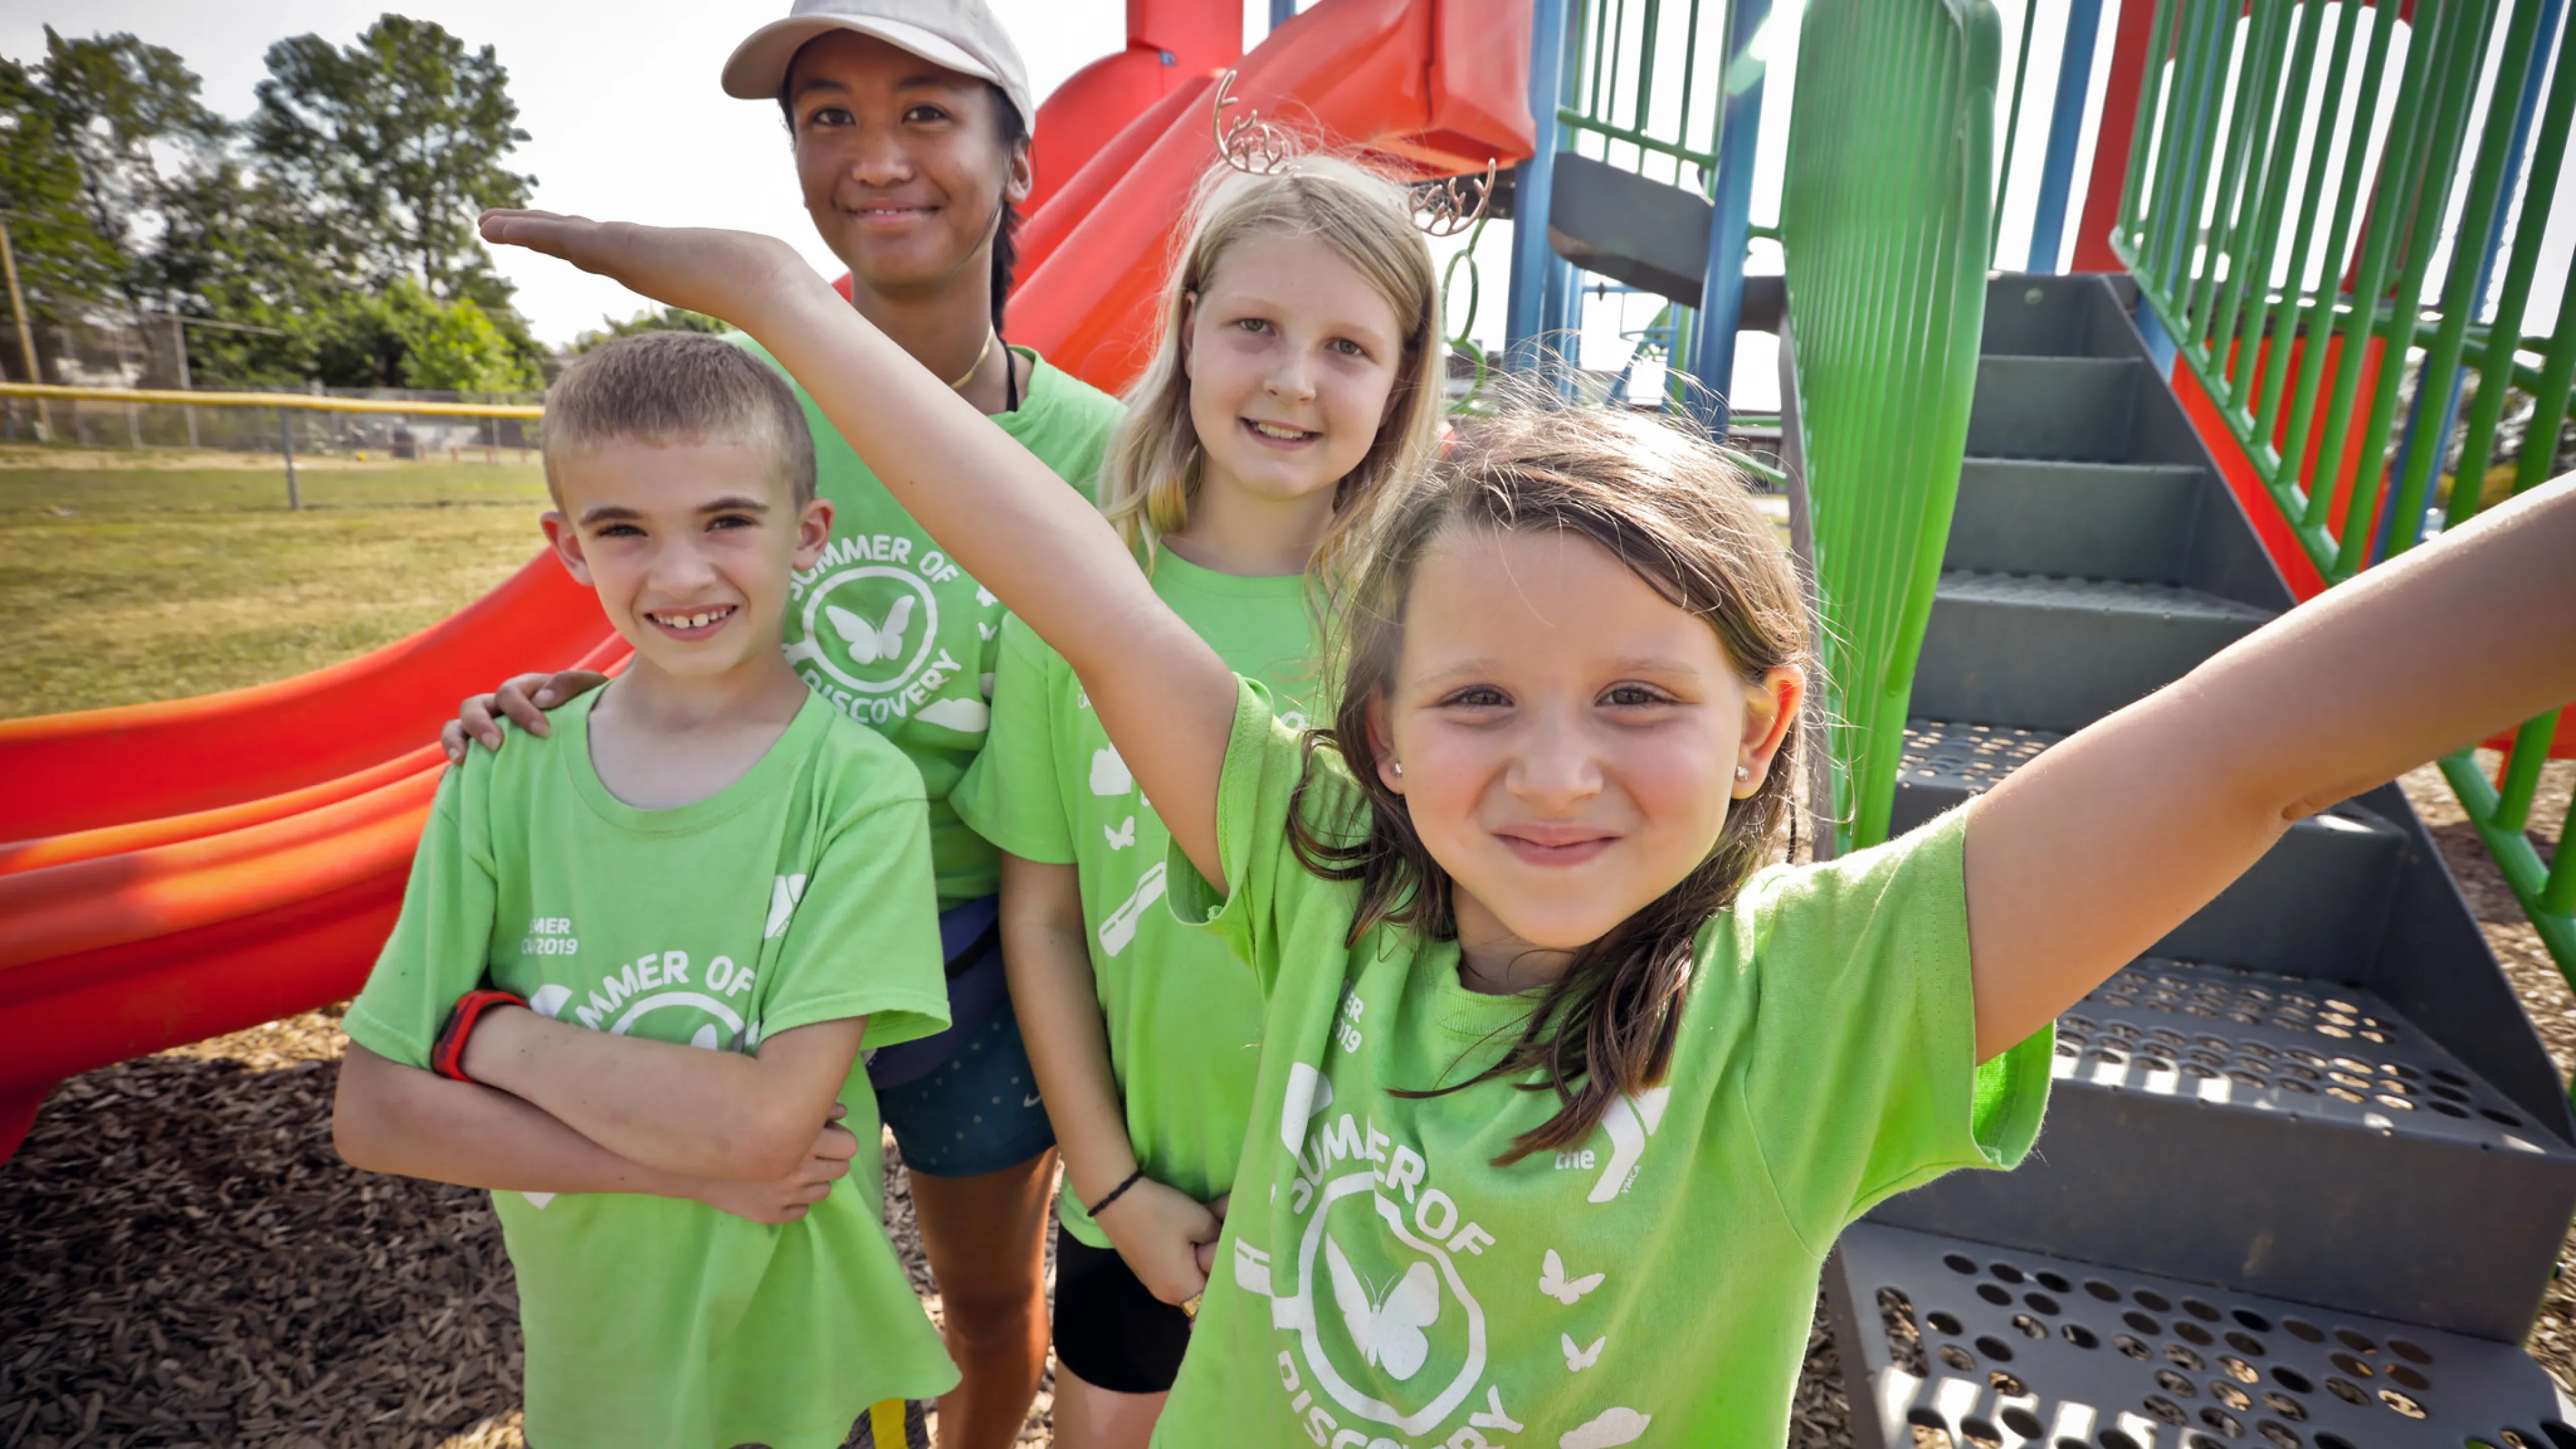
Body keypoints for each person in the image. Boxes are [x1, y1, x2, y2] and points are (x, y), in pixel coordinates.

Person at [474, 205, 2576, 1447]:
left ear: (1762, 728)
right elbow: (1073, 577)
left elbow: (2252, 748)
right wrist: (787, 298)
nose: (1553, 772)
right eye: (1478, 699)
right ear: (1373, 737)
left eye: (1641, 701)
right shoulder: (1314, 892)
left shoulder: (1829, 996)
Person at [441, 4, 1121, 1440]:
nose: (876, 156)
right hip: (749, 937)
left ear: (1021, 164)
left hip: (989, 947)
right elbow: (691, 609)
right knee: (757, 1285)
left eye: (927, 113)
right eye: (830, 117)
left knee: (987, 1306)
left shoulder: (1109, 452)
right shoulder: (758, 421)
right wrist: (577, 699)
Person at [332, 331, 958, 1449]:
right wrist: (685, 1173)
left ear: (807, 534)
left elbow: (771, 1127)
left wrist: (485, 1041)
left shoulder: (856, 791)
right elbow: (377, 1115)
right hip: (599, 1378)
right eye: (624, 530)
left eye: (726, 520)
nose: (680, 575)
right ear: (567, 547)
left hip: (818, 1378)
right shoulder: (505, 774)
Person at [949, 154, 1444, 1447]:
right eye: (1255, 328)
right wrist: (1112, 1190)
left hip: (1380, 1205)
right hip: (1150, 1199)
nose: (1293, 378)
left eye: (1348, 345)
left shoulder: (1435, 625)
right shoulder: (1084, 608)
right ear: (1186, 333)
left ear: (1401, 381)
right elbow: (1044, 923)